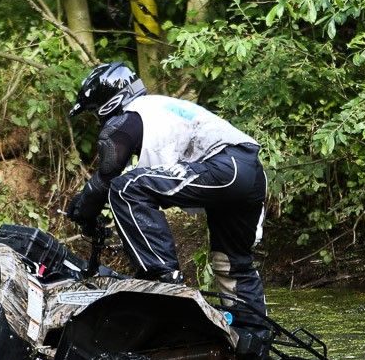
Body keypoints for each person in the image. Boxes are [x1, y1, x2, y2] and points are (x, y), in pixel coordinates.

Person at [66, 62, 268, 329]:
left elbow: (107, 176)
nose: (97, 120)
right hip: (250, 170)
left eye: (94, 112)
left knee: (126, 188)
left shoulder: (129, 117)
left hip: (225, 167)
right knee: (231, 263)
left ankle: (164, 280)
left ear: (107, 104)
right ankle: (254, 334)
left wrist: (83, 211)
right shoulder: (156, 107)